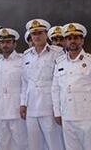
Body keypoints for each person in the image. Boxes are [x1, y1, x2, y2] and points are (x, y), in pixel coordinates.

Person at [51, 24, 91, 150]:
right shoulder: (59, 62)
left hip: (87, 116)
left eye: (76, 38)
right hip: (67, 115)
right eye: (69, 38)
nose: (72, 41)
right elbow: (55, 89)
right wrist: (57, 112)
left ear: (82, 40)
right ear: (65, 41)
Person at [21, 19, 64, 150]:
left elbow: (60, 83)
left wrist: (58, 108)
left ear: (46, 34)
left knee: (54, 144)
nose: (37, 36)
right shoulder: (27, 55)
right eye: (34, 34)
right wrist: (23, 103)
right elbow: (25, 82)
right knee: (34, 145)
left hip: (49, 106)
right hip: (31, 107)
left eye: (40, 33)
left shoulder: (57, 53)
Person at [0, 28, 27, 150]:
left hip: (17, 111)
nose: (5, 45)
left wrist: (23, 104)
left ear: (14, 44)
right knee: (3, 145)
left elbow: (25, 84)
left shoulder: (23, 60)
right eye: (2, 42)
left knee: (21, 145)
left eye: (8, 42)